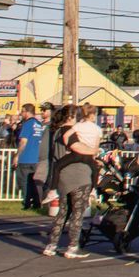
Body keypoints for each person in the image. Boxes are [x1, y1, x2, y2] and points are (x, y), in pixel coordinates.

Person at [43, 104, 103, 258]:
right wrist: (94, 152)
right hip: (79, 174)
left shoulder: (55, 132)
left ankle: (51, 244)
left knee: (63, 212)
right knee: (77, 213)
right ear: (72, 116)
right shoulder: (71, 132)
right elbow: (77, 147)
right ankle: (72, 246)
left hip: (62, 176)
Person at [14, 104, 43, 209]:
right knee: (33, 183)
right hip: (36, 158)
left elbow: (23, 141)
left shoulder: (27, 124)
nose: (21, 114)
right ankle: (36, 202)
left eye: (22, 112)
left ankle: (26, 203)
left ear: (26, 112)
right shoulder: (39, 124)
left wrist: (17, 155)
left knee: (24, 182)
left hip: (26, 157)